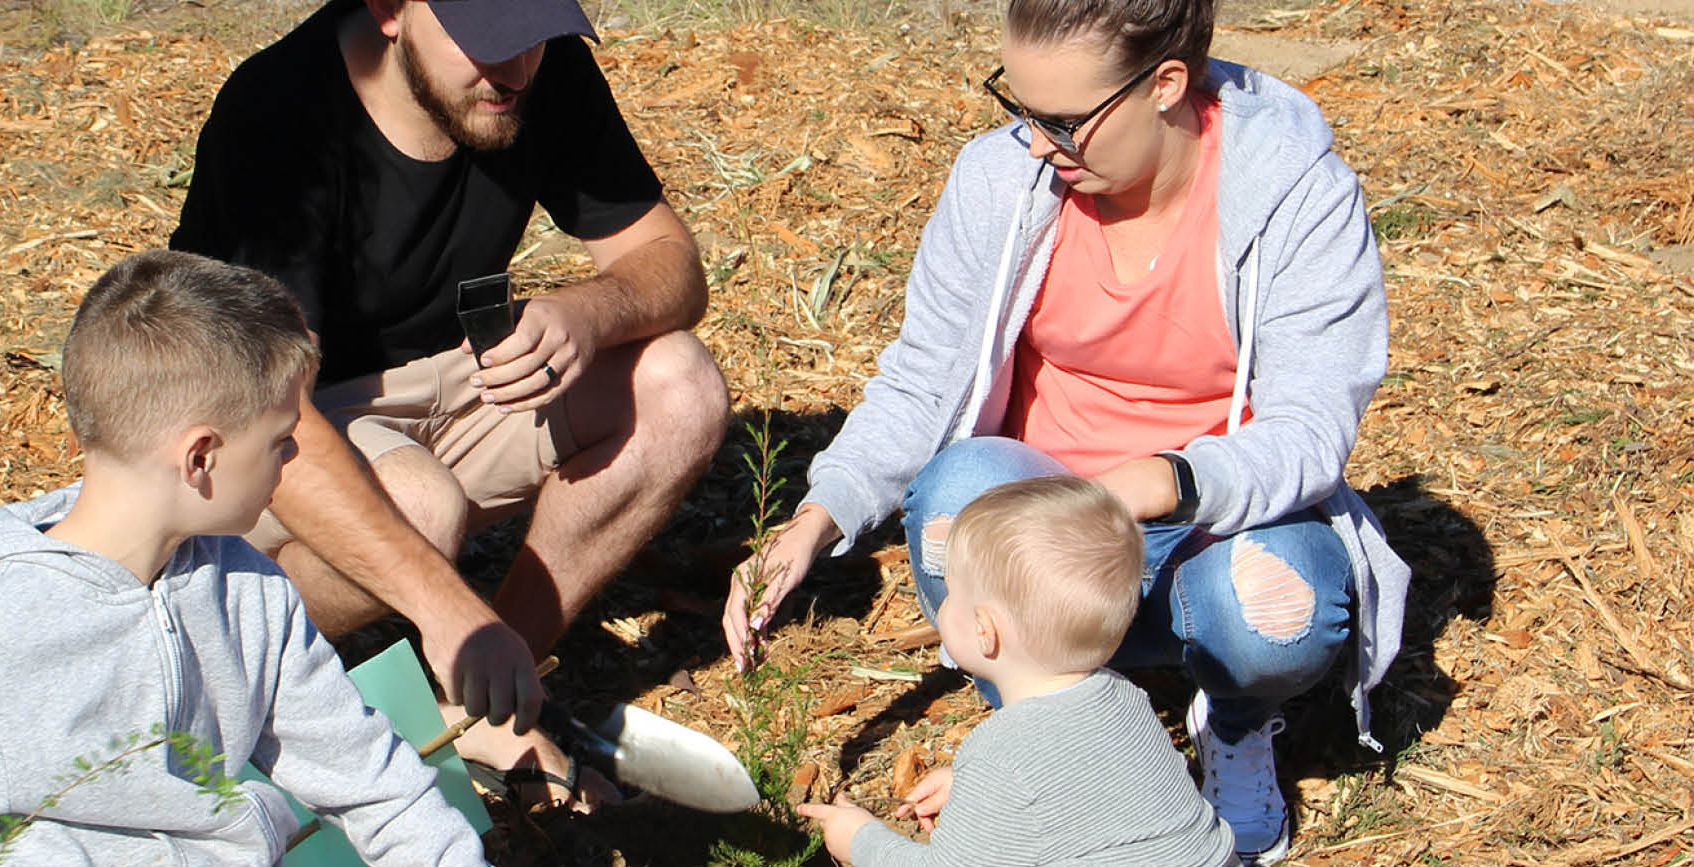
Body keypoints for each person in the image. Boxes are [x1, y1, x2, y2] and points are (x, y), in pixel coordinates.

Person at [723, 1, 1409, 862]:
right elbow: (922, 380)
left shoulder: (1295, 193)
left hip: (1205, 523)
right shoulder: (1003, 179)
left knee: (1282, 605)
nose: (1038, 143)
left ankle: (1232, 722)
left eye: (1065, 122)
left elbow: (1311, 428)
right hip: (1042, 534)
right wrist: (815, 519)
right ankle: (1039, 739)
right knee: (954, 499)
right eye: (1019, 107)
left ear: (1164, 85)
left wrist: (1161, 480)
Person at [0, 251, 486, 866]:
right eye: (280, 439)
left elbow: (372, 779)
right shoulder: (2, 638)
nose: (294, 456)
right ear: (201, 457)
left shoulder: (247, 587)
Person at [170, 0, 728, 809]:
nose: (513, 70)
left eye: (533, 38)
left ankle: (478, 703)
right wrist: (445, 606)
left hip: (456, 380)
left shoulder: (535, 74)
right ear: (390, 11)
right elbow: (266, 407)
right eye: (485, 42)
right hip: (265, 426)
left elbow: (671, 261)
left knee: (679, 388)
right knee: (418, 505)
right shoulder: (279, 112)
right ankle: (235, 684)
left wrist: (589, 310)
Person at [796, 476, 1236, 867]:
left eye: (950, 591)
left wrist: (862, 842)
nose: (941, 603)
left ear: (985, 632)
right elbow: (1091, 798)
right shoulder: (1123, 698)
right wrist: (978, 795)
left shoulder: (1000, 754)